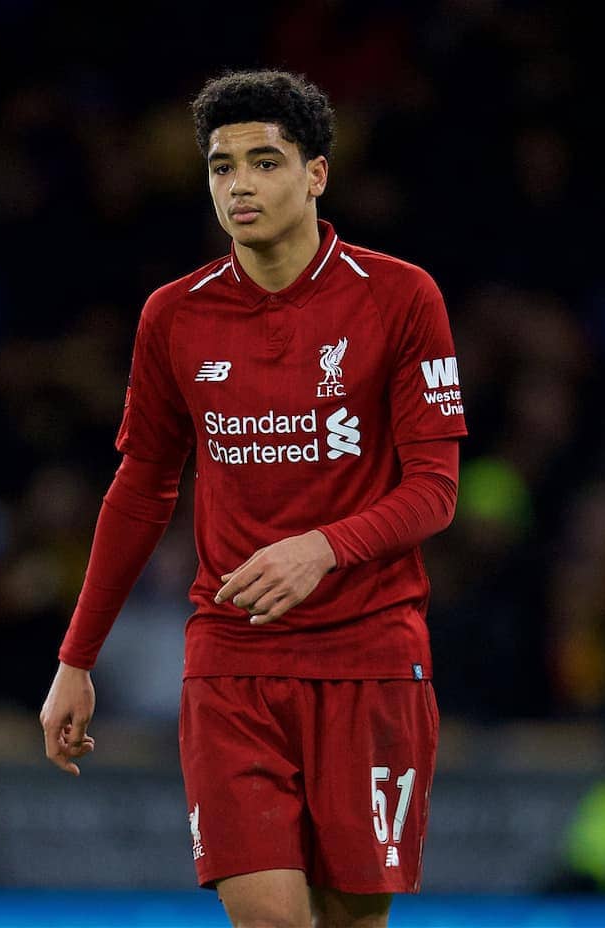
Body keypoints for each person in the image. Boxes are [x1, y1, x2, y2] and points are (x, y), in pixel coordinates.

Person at [40, 69, 467, 928]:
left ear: (316, 174)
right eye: (221, 166)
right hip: (233, 660)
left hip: (370, 654)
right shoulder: (174, 316)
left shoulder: (402, 296)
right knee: (271, 919)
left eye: (265, 162)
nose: (239, 185)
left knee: (350, 920)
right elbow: (140, 488)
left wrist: (324, 547)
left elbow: (435, 491)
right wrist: (76, 657)